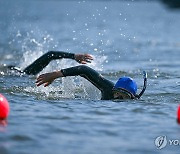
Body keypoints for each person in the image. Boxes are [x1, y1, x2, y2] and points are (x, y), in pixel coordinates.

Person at [35, 54, 147, 100]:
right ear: (114, 89)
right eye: (117, 93)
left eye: (123, 97)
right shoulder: (108, 88)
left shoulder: (133, 104)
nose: (117, 97)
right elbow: (84, 69)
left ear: (131, 98)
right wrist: (55, 75)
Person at [8, 51, 93, 75]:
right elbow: (50, 55)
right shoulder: (26, 74)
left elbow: (50, 55)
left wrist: (73, 56)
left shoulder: (25, 73)